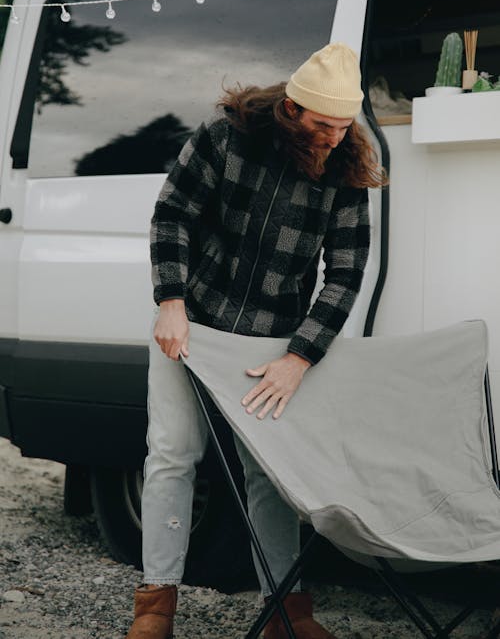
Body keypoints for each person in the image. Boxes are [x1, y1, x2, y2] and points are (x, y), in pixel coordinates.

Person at [126, 43, 387, 639]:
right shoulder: (225, 139)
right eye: (322, 125)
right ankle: (154, 607)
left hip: (272, 343)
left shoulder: (345, 166)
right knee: (171, 456)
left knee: (270, 473)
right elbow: (172, 214)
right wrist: (170, 302)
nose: (332, 137)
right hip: (191, 324)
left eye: (344, 126)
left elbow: (345, 272)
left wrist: (299, 358)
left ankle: (287, 615)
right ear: (292, 110)